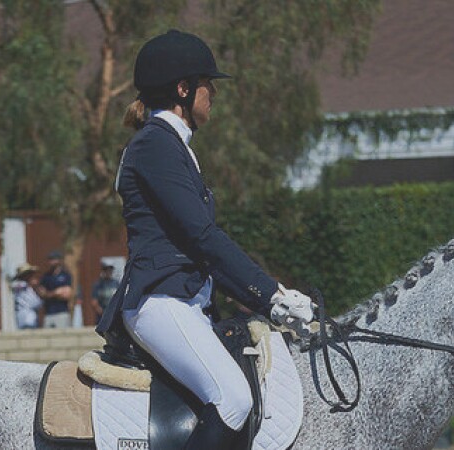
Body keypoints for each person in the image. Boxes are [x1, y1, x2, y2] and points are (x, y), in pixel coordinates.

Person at [93, 30, 316, 448]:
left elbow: (204, 249)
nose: (212, 92)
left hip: (187, 302)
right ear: (183, 89)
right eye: (206, 83)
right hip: (161, 302)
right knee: (233, 399)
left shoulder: (173, 145)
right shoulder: (155, 145)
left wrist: (271, 299)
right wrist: (271, 295)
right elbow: (203, 238)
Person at [37, 251, 75, 328]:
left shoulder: (65, 275)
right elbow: (42, 293)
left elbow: (67, 294)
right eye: (50, 259)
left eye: (54, 259)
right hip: (48, 313)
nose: (51, 261)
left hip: (62, 312)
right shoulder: (46, 277)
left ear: (59, 260)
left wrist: (49, 294)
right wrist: (57, 292)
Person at [11, 264, 42, 330]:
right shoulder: (18, 285)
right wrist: (30, 284)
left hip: (31, 317)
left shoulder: (30, 289)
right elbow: (16, 286)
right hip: (25, 317)